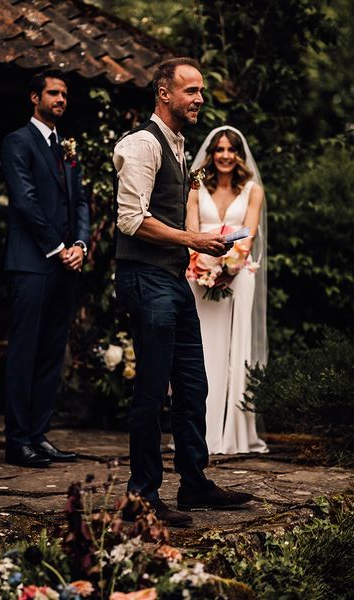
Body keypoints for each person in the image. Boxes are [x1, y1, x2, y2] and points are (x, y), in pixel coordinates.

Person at [113, 58, 253, 527]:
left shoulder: (177, 145)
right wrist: (193, 240)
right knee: (152, 391)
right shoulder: (140, 144)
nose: (198, 98)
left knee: (194, 386)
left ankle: (194, 483)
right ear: (163, 92)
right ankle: (142, 494)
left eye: (200, 91)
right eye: (190, 90)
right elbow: (130, 219)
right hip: (144, 278)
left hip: (172, 280)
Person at [2, 69, 90, 468]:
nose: (61, 99)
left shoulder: (66, 147)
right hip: (31, 264)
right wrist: (58, 248)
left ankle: (39, 435)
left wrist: (81, 245)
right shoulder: (17, 142)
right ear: (34, 97)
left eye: (64, 94)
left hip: (66, 265)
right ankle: (17, 440)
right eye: (53, 93)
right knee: (24, 352)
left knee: (53, 353)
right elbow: (25, 200)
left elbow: (82, 202)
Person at [187, 126, 268, 454]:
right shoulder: (195, 185)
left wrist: (230, 267)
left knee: (236, 348)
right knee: (201, 350)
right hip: (199, 274)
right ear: (211, 153)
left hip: (238, 275)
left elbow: (248, 233)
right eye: (218, 149)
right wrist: (203, 264)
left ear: (238, 154)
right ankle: (197, 431)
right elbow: (189, 230)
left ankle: (233, 433)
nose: (223, 155)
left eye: (230, 150)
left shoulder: (253, 190)